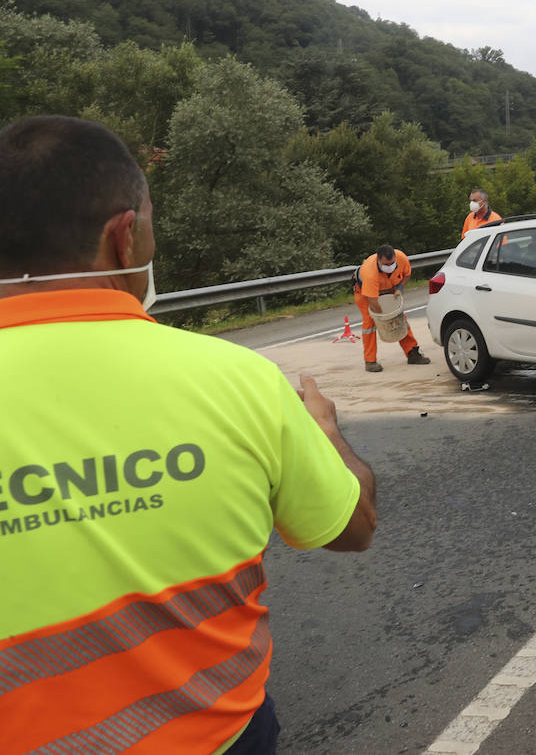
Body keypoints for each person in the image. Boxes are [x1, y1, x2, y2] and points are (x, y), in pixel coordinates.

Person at [0, 115, 378, 754]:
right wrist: (326, 433)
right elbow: (353, 525)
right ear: (125, 238)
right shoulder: (239, 380)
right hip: (219, 736)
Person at [352, 244, 430, 372]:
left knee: (399, 318)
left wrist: (400, 288)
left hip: (390, 289)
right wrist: (385, 318)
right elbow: (373, 301)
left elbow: (407, 274)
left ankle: (412, 354)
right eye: (386, 265)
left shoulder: (401, 258)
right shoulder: (370, 272)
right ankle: (370, 361)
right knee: (370, 323)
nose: (390, 267)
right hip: (365, 295)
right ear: (378, 260)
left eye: (392, 263)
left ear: (395, 257)